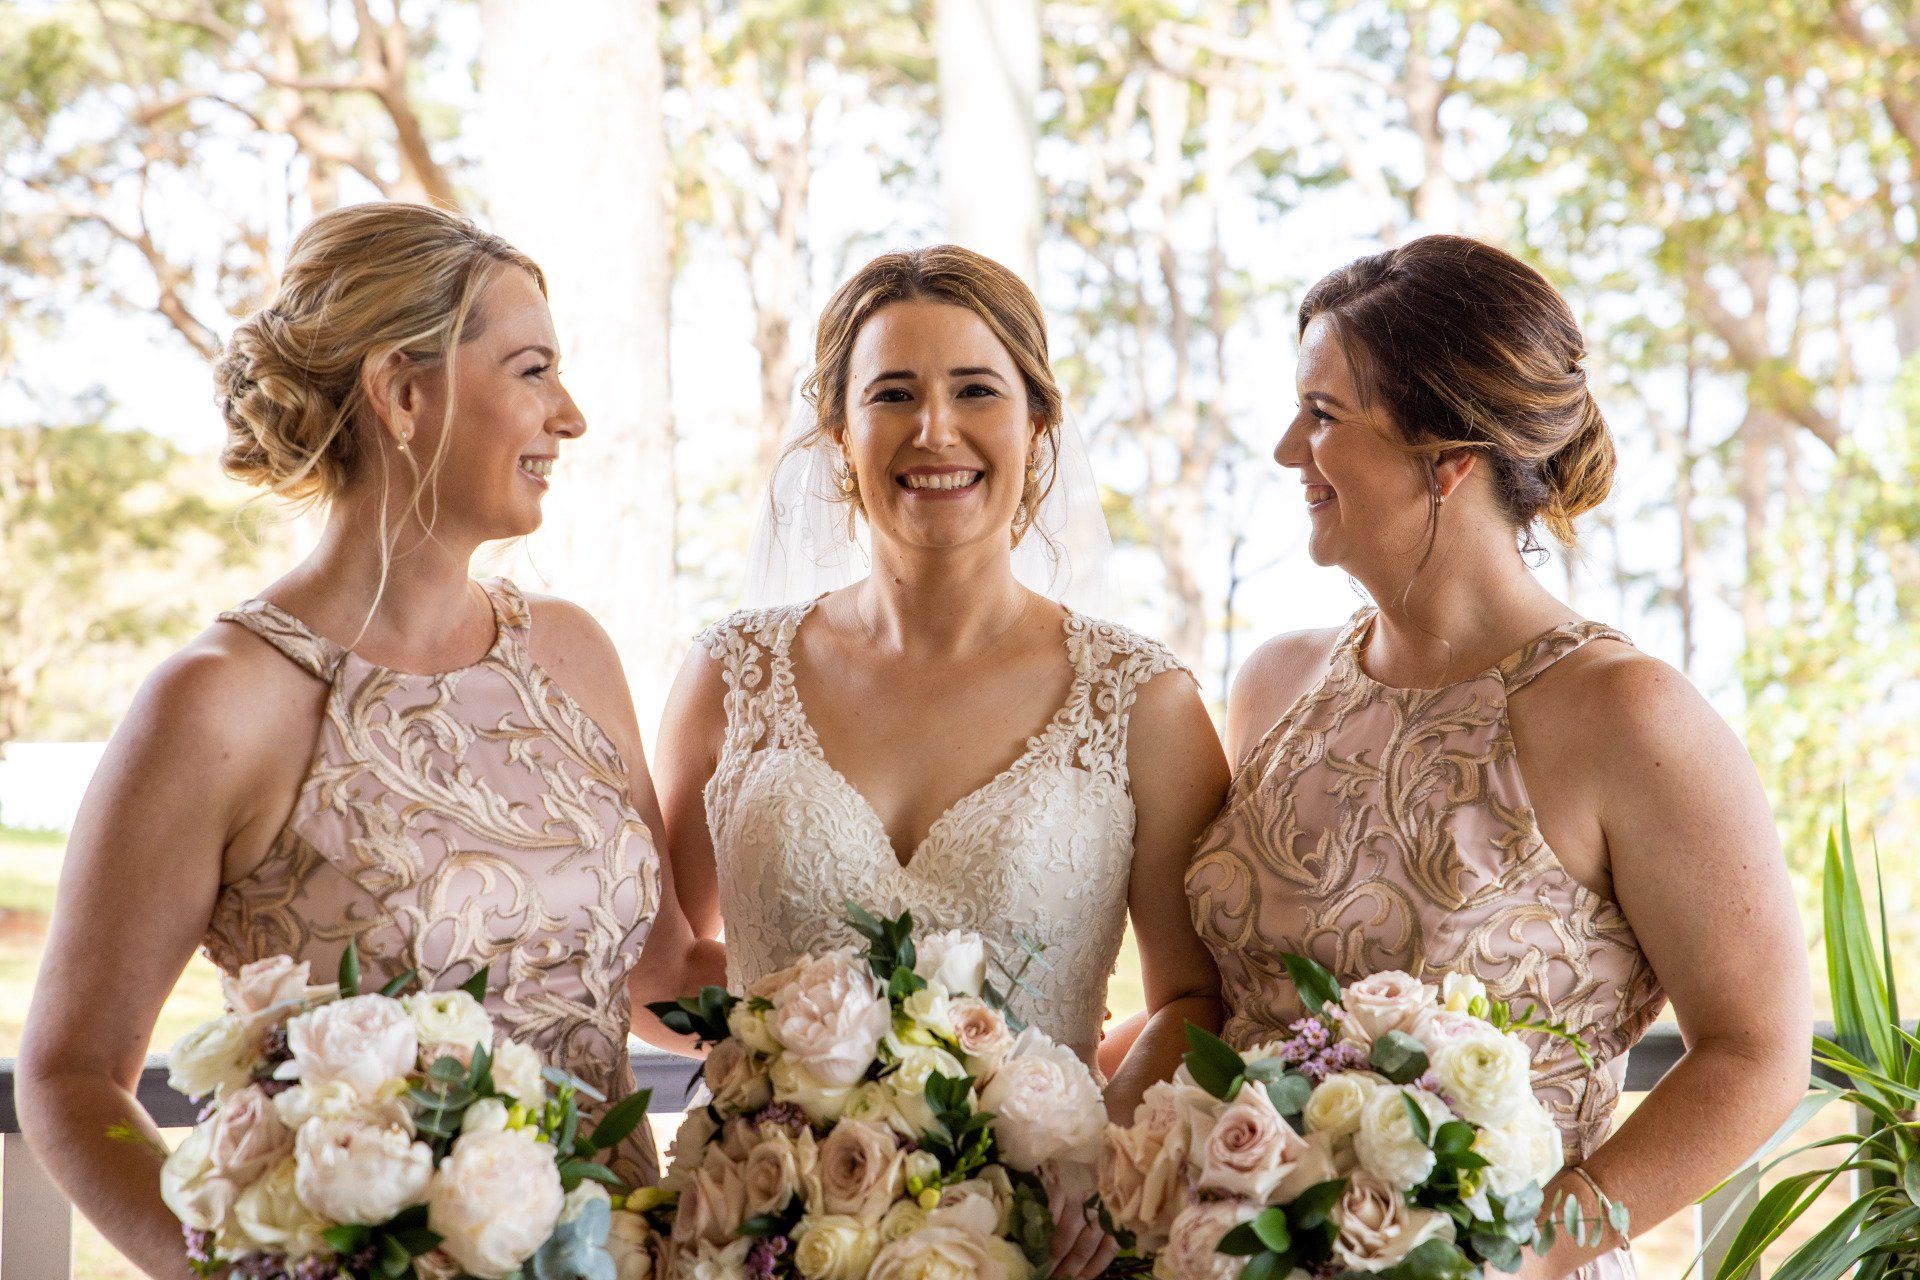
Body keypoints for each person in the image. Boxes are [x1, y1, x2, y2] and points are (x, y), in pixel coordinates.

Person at [18, 202, 712, 1277]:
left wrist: (891, 1043)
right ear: (402, 391)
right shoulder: (217, 703)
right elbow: (68, 1075)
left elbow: (665, 974)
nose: (568, 415)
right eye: (533, 370)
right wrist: (232, 1267)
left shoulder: (573, 654)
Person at [1185, 235, 1811, 1279]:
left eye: (1325, 414)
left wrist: (1520, 1252)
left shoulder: (1629, 715)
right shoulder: (1271, 685)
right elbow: (1205, 1003)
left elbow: (1757, 1053)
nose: (1291, 448)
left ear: (1449, 454)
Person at [647, 245, 1229, 1279]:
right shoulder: (729, 672)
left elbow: (1194, 991)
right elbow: (663, 961)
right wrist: (789, 1085)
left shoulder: (1144, 700)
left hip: (1045, 1245)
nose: (935, 430)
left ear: (1036, 426)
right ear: (839, 437)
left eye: (975, 390)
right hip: (774, 1236)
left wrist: (1090, 1140)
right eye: (893, 395)